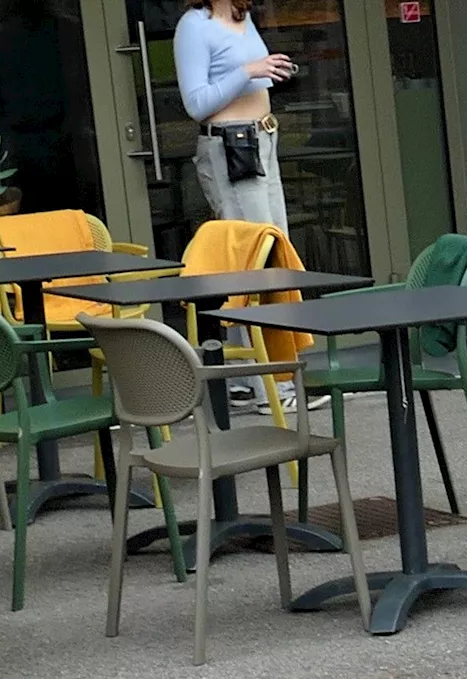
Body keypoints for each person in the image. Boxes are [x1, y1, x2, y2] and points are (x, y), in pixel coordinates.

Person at [173, 0, 327, 413]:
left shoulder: (241, 19)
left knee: (263, 259)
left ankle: (242, 379)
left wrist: (273, 71)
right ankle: (272, 388)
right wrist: (248, 72)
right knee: (258, 263)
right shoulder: (195, 25)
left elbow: (251, 78)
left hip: (261, 141)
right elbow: (196, 103)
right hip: (231, 148)